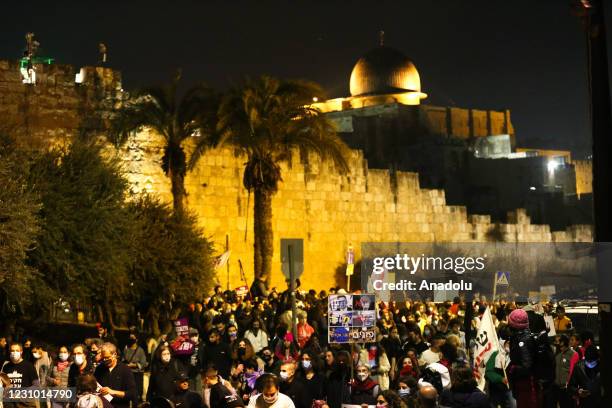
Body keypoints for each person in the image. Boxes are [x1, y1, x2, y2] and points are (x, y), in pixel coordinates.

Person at [507, 308, 540, 408]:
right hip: (524, 384)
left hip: (527, 384)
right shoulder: (520, 337)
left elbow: (527, 366)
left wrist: (513, 368)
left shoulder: (523, 340)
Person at [94, 342, 137, 408]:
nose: (105, 360)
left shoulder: (125, 370)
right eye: (103, 358)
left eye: (107, 357)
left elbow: (132, 394)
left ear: (115, 354)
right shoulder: (99, 368)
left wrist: (112, 392)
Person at [1, 343, 38, 408]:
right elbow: (4, 384)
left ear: (21, 352)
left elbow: (36, 385)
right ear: (9, 352)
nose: (14, 353)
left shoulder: (29, 366)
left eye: (17, 350)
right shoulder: (6, 367)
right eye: (12, 351)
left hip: (25, 404)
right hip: (9, 403)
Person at [122, 332, 147, 403]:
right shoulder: (126, 348)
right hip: (128, 373)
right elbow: (123, 359)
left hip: (137, 374)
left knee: (137, 393)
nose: (131, 339)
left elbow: (144, 363)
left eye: (132, 338)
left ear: (136, 340)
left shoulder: (140, 350)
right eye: (130, 338)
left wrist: (135, 365)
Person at [553, 334, 577, 408]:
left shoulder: (573, 354)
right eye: (560, 345)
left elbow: (574, 372)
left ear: (566, 343)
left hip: (568, 389)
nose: (561, 347)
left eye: (562, 345)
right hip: (559, 388)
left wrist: (571, 387)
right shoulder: (558, 355)